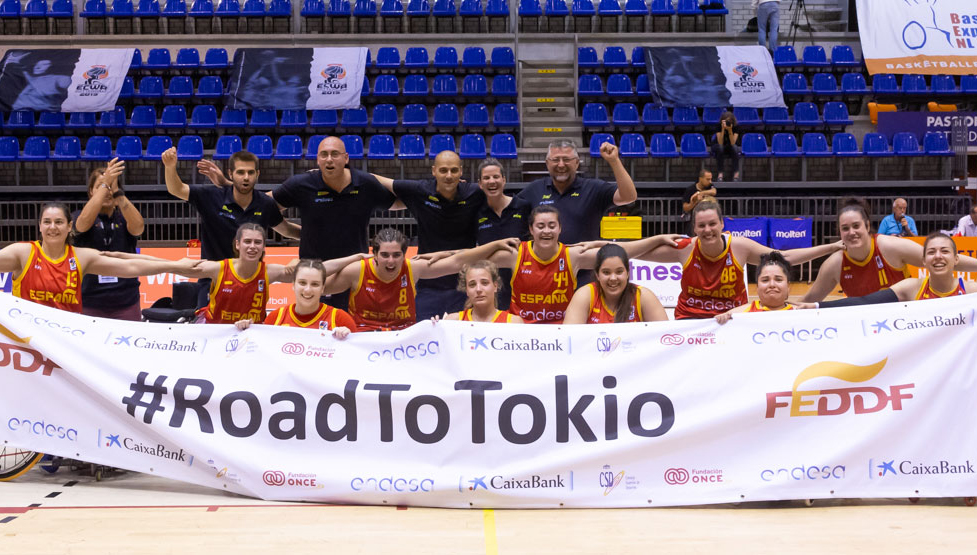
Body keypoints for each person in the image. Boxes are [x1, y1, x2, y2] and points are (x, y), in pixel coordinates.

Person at [637, 200, 842, 319]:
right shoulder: (685, 248)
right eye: (701, 226)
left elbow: (784, 258)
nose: (707, 230)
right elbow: (638, 252)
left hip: (732, 320)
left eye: (712, 224)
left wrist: (832, 246)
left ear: (721, 224)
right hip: (690, 321)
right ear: (694, 228)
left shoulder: (739, 246)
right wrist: (606, 245)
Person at [487, 206, 680, 324]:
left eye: (552, 226)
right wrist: (492, 244)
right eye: (540, 226)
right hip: (523, 333)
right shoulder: (515, 254)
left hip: (560, 331)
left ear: (560, 228)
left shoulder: (572, 255)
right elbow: (465, 259)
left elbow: (620, 252)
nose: (546, 231)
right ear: (530, 229)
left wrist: (657, 238)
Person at [269, 136, 400, 310]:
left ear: (346, 158)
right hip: (315, 274)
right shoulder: (302, 184)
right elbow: (264, 205)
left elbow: (400, 202)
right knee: (315, 329)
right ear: (317, 159)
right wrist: (288, 230)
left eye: (334, 154)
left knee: (352, 329)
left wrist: (375, 177)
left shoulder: (365, 184)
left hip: (354, 272)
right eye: (324, 155)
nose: (329, 159)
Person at [163, 147, 300, 307]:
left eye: (250, 172)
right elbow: (177, 189)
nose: (246, 177)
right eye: (241, 172)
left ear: (258, 174)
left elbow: (287, 229)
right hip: (213, 280)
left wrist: (314, 236)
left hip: (251, 281)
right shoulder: (211, 196)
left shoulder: (265, 203)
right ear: (230, 174)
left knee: (251, 329)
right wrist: (170, 167)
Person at [0, 203, 199, 313]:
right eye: (47, 222)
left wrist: (174, 266)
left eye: (59, 222)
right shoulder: (23, 253)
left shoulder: (81, 257)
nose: (53, 227)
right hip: (27, 343)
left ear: (69, 226)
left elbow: (129, 267)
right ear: (40, 226)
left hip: (63, 342)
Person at [324, 228, 518, 331]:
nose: (391, 261)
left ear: (404, 254)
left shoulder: (413, 268)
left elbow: (457, 262)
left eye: (396, 255)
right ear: (374, 254)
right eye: (384, 255)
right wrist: (351, 258)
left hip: (404, 340)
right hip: (365, 338)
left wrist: (494, 244)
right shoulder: (356, 270)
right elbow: (318, 284)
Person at [373, 151, 487, 320]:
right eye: (443, 170)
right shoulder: (420, 190)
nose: (449, 176)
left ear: (461, 172)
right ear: (434, 171)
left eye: (454, 171)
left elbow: (499, 193)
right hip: (428, 284)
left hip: (464, 286)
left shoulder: (475, 193)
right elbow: (378, 180)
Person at [801, 197, 977, 302]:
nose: (851, 232)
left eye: (856, 226)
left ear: (867, 225)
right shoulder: (835, 263)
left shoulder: (889, 246)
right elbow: (809, 302)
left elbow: (941, 259)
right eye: (845, 228)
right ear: (839, 231)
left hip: (905, 324)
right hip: (867, 328)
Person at [803, 233, 977, 309]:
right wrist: (818, 306)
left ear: (956, 259)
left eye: (945, 251)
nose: (938, 256)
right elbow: (864, 302)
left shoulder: (970, 291)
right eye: (931, 252)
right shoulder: (911, 288)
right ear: (923, 261)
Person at [71, 158, 145, 321]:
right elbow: (82, 225)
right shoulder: (79, 215)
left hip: (126, 302)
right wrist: (105, 185)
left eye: (111, 187)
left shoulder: (124, 217)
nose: (107, 191)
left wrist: (117, 192)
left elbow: (139, 227)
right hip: (89, 302)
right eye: (101, 186)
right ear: (91, 191)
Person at [236, 259, 357, 339]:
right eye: (302, 283)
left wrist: (348, 338)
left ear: (322, 288)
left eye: (315, 284)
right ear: (293, 284)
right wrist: (244, 331)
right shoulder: (275, 318)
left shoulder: (341, 319)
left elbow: (356, 358)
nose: (308, 290)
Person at [475, 158, 531, 310]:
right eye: (486, 178)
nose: (491, 181)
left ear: (504, 180)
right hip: (489, 288)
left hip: (522, 285)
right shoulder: (476, 212)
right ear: (480, 184)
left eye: (496, 177)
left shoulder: (523, 207)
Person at [563, 243, 668, 324]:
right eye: (606, 272)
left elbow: (665, 337)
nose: (613, 278)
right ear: (597, 275)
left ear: (627, 273)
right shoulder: (585, 295)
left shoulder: (643, 296)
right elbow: (569, 339)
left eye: (619, 272)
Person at [714, 251, 795, 324]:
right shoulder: (736, 315)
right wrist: (719, 322)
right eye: (765, 280)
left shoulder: (801, 313)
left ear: (788, 286)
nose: (772, 284)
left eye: (778, 279)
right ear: (757, 287)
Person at [442, 260, 524, 323]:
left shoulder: (512, 322)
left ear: (495, 286)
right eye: (472, 284)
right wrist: (434, 328)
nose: (478, 289)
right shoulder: (453, 321)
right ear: (466, 290)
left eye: (485, 283)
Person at [711, 111, 740, 182]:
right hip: (717, 146)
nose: (727, 123)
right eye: (726, 121)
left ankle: (736, 172)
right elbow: (720, 142)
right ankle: (720, 173)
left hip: (729, 146)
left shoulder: (735, 127)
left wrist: (730, 130)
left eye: (729, 121)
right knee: (720, 148)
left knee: (735, 148)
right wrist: (723, 129)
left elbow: (733, 143)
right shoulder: (718, 126)